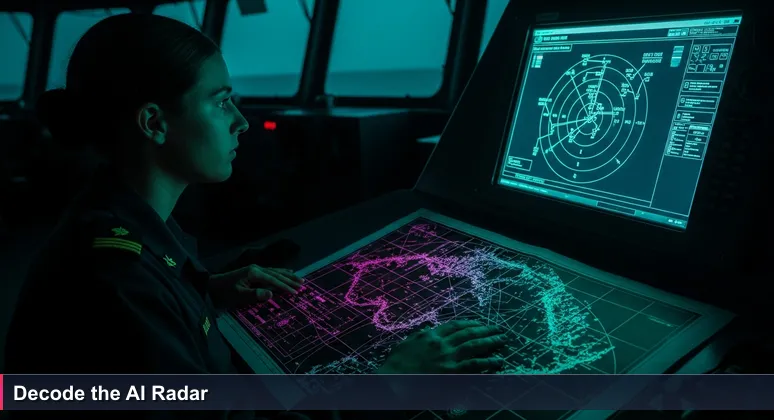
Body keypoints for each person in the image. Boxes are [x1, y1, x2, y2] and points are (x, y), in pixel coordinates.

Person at [3, 13, 507, 420]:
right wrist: (390, 385)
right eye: (221, 102)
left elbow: (159, 286)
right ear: (154, 122)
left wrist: (205, 290)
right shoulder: (115, 281)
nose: (241, 122)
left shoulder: (122, 219)